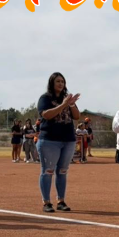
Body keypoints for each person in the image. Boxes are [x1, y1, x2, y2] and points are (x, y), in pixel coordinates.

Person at [37, 72, 81, 213]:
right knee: (48, 171)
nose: (61, 84)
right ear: (52, 83)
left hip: (68, 140)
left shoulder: (66, 98)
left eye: (62, 81)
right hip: (49, 140)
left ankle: (61, 201)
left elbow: (76, 116)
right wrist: (63, 105)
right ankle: (46, 202)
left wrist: (72, 104)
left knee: (62, 171)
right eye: (58, 81)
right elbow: (46, 115)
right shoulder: (45, 98)